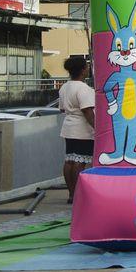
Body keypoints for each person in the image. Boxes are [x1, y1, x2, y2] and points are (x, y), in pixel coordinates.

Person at [59, 56, 94, 204]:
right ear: (82, 70)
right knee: (80, 161)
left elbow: (61, 108)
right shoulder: (83, 88)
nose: (87, 69)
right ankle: (78, 194)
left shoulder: (64, 87)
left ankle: (71, 193)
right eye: (86, 66)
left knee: (70, 160)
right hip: (82, 129)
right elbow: (87, 111)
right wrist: (97, 127)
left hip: (68, 127)